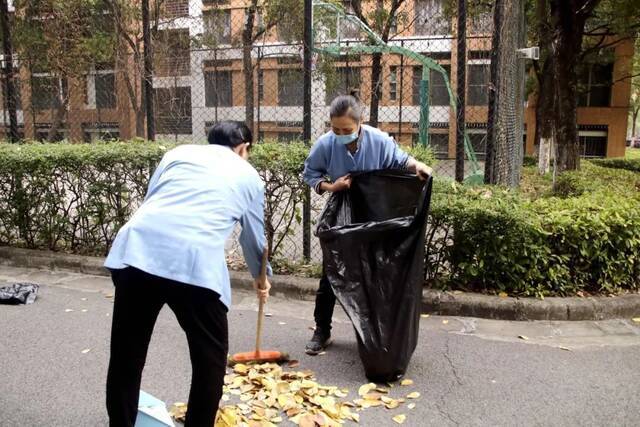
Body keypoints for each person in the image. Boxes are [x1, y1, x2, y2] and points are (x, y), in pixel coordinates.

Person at [104, 121, 272, 427]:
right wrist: (262, 277)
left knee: (127, 354)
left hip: (137, 251)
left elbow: (151, 197)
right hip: (194, 265)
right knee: (210, 359)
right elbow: (253, 240)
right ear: (244, 148)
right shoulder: (249, 175)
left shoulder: (178, 153)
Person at [303, 95, 432, 355]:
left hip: (375, 214)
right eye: (335, 129)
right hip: (344, 214)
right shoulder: (326, 144)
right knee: (332, 273)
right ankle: (322, 330)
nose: (341, 134)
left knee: (376, 274)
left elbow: (400, 160)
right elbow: (310, 173)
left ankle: (378, 333)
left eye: (347, 130)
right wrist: (332, 186)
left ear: (360, 123)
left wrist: (417, 166)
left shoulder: (379, 141)